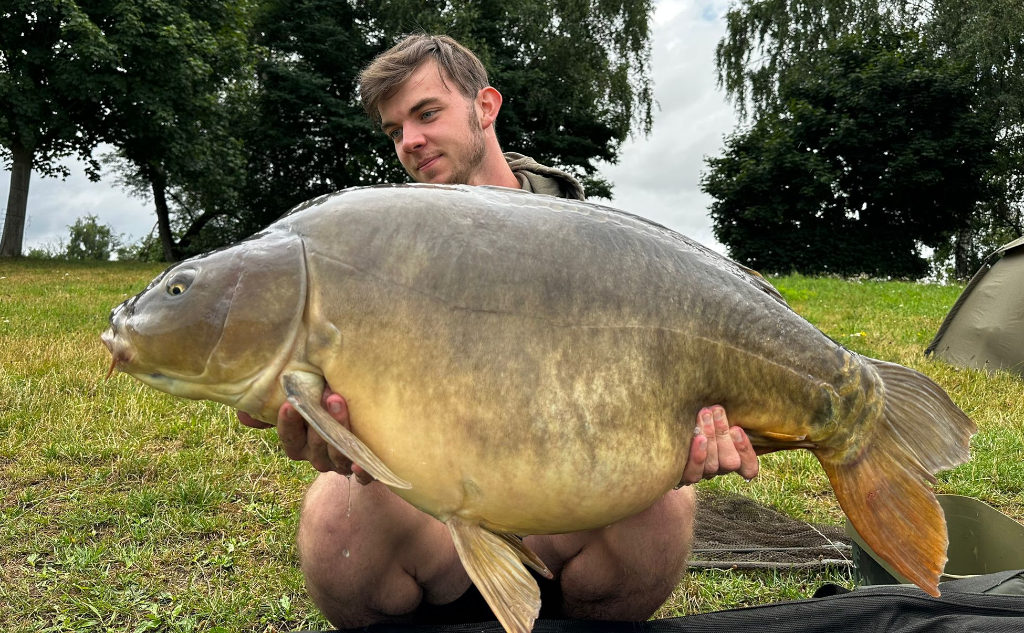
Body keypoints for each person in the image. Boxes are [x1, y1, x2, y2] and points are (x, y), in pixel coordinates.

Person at [237, 34, 760, 628]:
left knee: (666, 510)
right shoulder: (375, 252)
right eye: (394, 130)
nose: (410, 141)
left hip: (568, 516)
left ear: (485, 106)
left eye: (427, 113)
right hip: (434, 518)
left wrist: (690, 437)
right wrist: (332, 429)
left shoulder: (592, 239)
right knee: (337, 518)